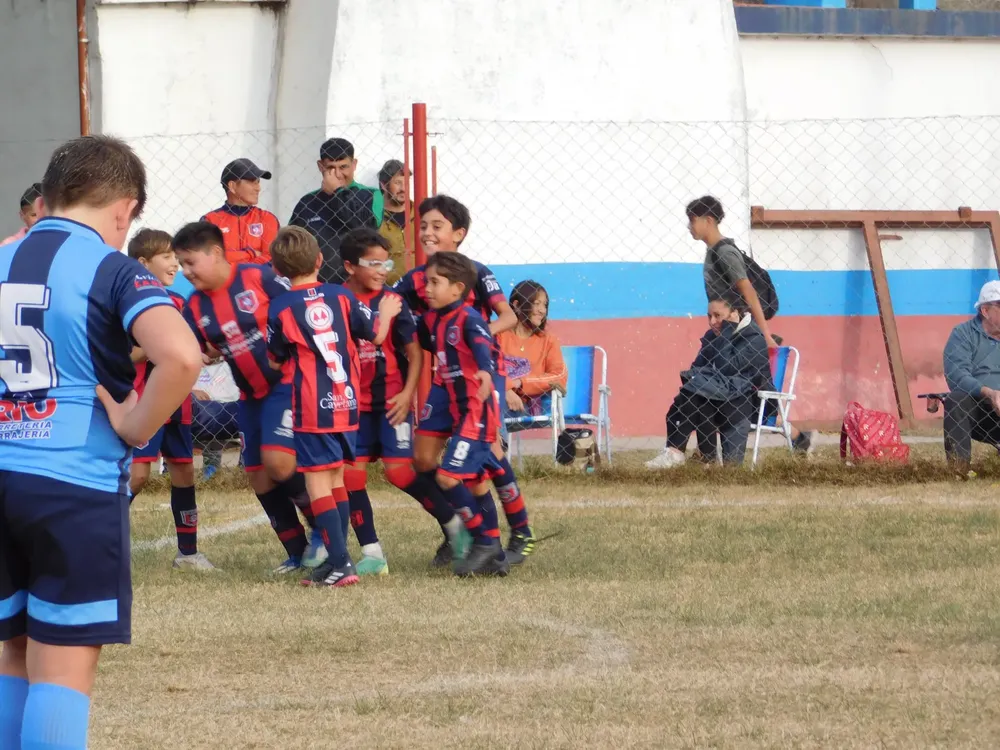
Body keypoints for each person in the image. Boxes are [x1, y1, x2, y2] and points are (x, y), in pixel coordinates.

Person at [0, 135, 201, 750]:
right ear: (124, 210)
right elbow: (181, 356)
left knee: (12, 653)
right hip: (72, 483)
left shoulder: (3, 256)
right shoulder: (113, 268)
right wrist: (137, 425)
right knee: (62, 665)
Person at [394, 195, 538, 566]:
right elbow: (388, 307)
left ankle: (518, 532)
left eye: (437, 226)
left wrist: (470, 336)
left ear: (458, 234)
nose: (427, 232)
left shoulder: (476, 271)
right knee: (424, 461)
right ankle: (461, 530)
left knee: (486, 457)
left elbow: (506, 316)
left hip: (479, 376)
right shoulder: (413, 280)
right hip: (444, 382)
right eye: (423, 225)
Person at [173, 221, 317, 575]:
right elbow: (200, 348)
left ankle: (327, 535)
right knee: (259, 476)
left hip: (287, 383)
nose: (185, 271)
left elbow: (302, 308)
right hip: (250, 396)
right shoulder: (194, 305)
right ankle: (298, 553)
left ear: (217, 253)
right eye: (181, 264)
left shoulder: (258, 277)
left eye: (191, 262)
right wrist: (204, 352)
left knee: (279, 463)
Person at [267, 226, 400, 587]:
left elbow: (276, 359)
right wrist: (386, 312)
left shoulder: (280, 307)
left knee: (316, 484)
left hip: (313, 404)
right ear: (320, 260)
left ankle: (341, 562)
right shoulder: (340, 296)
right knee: (337, 478)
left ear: (277, 271)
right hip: (348, 401)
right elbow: (375, 334)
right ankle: (337, 562)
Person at [340, 228, 471, 574]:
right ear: (350, 266)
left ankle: (456, 528)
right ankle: (372, 553)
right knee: (351, 479)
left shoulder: (394, 304)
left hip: (391, 402)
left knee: (400, 473)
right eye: (374, 263)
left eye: (387, 262)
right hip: (352, 406)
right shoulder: (336, 301)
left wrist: (407, 393)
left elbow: (415, 354)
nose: (383, 269)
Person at [126, 229, 216, 571]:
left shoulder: (178, 302)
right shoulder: (131, 302)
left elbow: (196, 344)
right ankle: (95, 540)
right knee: (137, 475)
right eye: (166, 257)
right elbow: (129, 354)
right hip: (147, 400)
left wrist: (208, 351)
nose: (174, 264)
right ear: (143, 263)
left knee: (183, 469)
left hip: (177, 400)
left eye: (176, 258)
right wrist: (160, 348)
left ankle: (188, 553)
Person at [416, 251, 509, 577]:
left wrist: (484, 371)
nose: (426, 288)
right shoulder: (437, 320)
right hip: (460, 412)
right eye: (426, 281)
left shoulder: (468, 318)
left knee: (448, 476)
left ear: (457, 288)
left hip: (476, 413)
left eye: (434, 282)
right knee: (473, 479)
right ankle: (493, 552)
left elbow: (483, 345)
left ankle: (484, 539)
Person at [646, 298, 772, 469]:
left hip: (744, 404)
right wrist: (705, 377)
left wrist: (728, 331)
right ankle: (698, 458)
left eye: (718, 316)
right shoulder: (711, 336)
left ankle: (687, 454)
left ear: (735, 313)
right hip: (715, 397)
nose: (712, 322)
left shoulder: (753, 338)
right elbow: (695, 368)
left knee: (693, 395)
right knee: (694, 397)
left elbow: (725, 367)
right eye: (709, 316)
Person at [288, 138, 383, 284]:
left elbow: (363, 227)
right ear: (320, 166)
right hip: (317, 286)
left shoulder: (371, 195)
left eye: (343, 167)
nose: (338, 174)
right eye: (331, 168)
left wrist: (337, 192)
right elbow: (291, 243)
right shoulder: (307, 202)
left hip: (358, 285)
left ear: (354, 164)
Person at [687, 196, 778, 349]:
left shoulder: (725, 253)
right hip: (724, 331)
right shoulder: (713, 251)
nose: (689, 226)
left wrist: (765, 335)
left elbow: (748, 291)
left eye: (693, 220)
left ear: (708, 220)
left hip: (737, 333)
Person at [942, 280, 1000, 467]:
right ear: (985, 310)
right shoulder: (963, 334)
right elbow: (956, 376)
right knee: (956, 400)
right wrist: (989, 393)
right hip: (980, 410)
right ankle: (959, 468)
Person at [497, 280, 568, 418]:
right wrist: (505, 389)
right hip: (497, 397)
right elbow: (486, 366)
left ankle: (495, 440)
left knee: (492, 406)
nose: (542, 310)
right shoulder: (499, 335)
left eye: (545, 305)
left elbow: (559, 376)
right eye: (536, 304)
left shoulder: (548, 340)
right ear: (517, 305)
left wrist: (521, 383)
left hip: (526, 406)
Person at [202, 158, 280, 265]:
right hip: (223, 282)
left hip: (258, 281)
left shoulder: (267, 218)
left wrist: (232, 261)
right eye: (252, 181)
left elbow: (272, 258)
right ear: (232, 186)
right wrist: (251, 253)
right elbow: (209, 259)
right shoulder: (210, 221)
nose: (258, 188)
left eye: (258, 182)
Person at [376, 159, 408, 284]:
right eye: (398, 183)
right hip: (386, 289)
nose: (403, 188)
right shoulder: (374, 216)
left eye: (406, 183)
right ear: (384, 185)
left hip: (419, 288)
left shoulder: (420, 212)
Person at [1, 182, 42, 247]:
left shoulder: (60, 241)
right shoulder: (9, 245)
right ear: (22, 215)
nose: (40, 219)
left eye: (46, 214)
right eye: (34, 215)